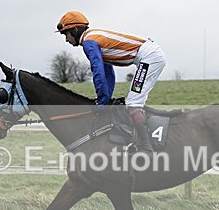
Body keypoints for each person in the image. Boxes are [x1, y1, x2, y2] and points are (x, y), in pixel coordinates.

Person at [56, 11, 166, 153]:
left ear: (75, 30)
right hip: (149, 56)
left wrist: (102, 102)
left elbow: (97, 71)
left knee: (133, 103)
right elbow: (107, 73)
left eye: (66, 34)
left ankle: (147, 149)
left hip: (150, 57)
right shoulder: (92, 38)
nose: (66, 39)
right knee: (133, 102)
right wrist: (105, 99)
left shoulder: (89, 43)